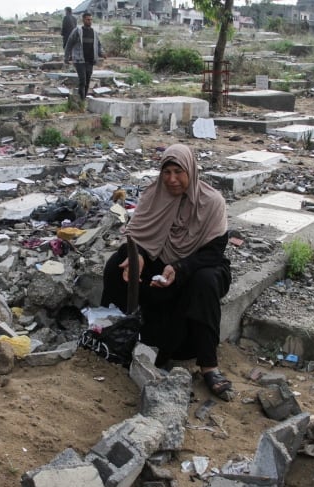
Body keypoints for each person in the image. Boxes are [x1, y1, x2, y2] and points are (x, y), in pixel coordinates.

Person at [100, 144, 235, 401]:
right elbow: (136, 235)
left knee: (205, 282)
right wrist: (136, 256)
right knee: (117, 264)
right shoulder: (154, 195)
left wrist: (181, 267)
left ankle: (209, 366)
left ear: (191, 172)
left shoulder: (212, 202)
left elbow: (214, 251)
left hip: (198, 265)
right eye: (167, 172)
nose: (172, 180)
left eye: (178, 172)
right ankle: (113, 336)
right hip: (160, 262)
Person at [63, 12, 105, 101]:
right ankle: (81, 100)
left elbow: (98, 45)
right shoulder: (77, 31)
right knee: (83, 80)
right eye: (88, 19)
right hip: (79, 60)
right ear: (83, 20)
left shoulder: (94, 32)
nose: (90, 21)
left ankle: (83, 99)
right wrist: (66, 57)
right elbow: (69, 44)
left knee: (87, 81)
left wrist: (101, 53)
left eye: (91, 20)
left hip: (90, 60)